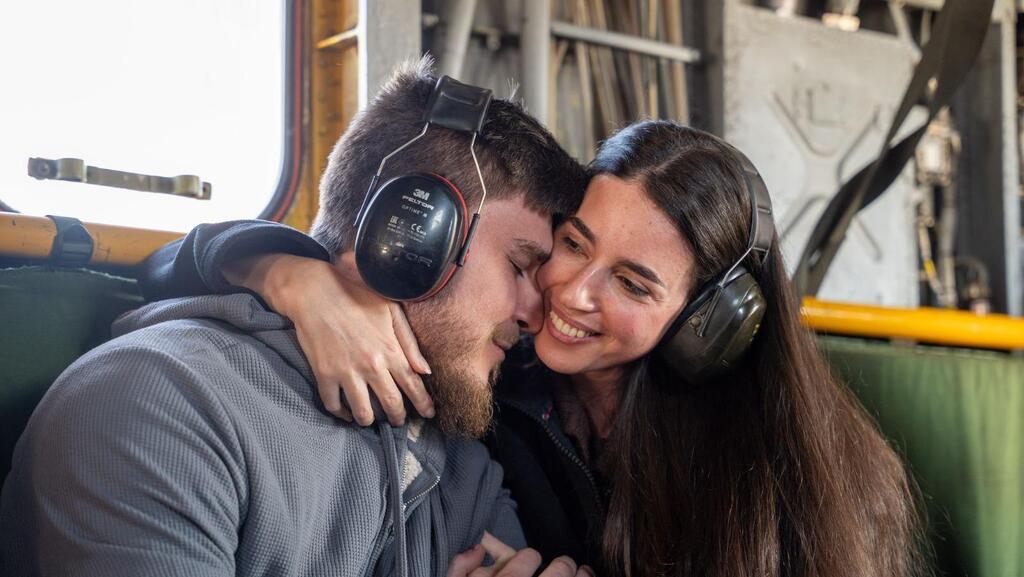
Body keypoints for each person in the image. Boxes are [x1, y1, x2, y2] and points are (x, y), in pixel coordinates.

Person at [130, 120, 929, 576]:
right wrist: (291, 275)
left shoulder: (774, 475)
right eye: (572, 244)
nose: (571, 292)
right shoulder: (492, 373)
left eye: (633, 284)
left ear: (705, 325)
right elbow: (164, 266)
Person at [0, 60, 594, 577]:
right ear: (410, 234)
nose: (535, 314)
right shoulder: (161, 405)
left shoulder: (462, 460)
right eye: (519, 266)